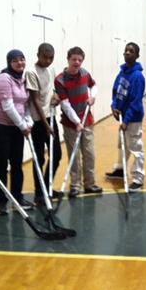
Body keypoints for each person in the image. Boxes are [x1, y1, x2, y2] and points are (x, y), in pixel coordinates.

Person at [0, 49, 33, 215]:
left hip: (17, 126)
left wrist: (28, 122)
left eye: (22, 59)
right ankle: (1, 201)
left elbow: (25, 104)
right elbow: (8, 106)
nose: (20, 63)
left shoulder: (23, 78)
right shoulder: (4, 78)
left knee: (17, 163)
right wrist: (23, 126)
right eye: (15, 60)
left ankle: (17, 198)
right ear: (9, 62)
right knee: (2, 163)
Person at [54, 46, 103, 198]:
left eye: (79, 60)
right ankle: (75, 185)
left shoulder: (85, 74)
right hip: (70, 124)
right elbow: (65, 104)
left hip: (87, 121)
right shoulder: (60, 80)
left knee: (89, 154)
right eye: (74, 59)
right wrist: (76, 122)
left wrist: (92, 96)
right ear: (68, 59)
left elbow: (93, 85)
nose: (76, 62)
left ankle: (90, 184)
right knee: (74, 155)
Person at [106, 42, 145, 192]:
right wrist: (113, 106)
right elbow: (115, 90)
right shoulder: (122, 73)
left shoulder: (138, 76)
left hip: (133, 118)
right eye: (126, 51)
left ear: (137, 55)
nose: (128, 53)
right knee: (122, 145)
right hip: (122, 116)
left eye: (131, 51)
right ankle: (120, 170)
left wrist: (127, 120)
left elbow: (136, 101)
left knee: (136, 147)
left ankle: (138, 177)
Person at [26, 43, 63, 205]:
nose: (48, 61)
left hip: (51, 117)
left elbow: (52, 89)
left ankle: (47, 187)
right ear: (38, 55)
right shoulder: (31, 72)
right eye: (45, 57)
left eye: (51, 58)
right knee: (39, 157)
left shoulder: (51, 69)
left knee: (57, 155)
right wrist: (46, 125)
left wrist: (56, 96)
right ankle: (39, 193)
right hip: (38, 121)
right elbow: (34, 100)